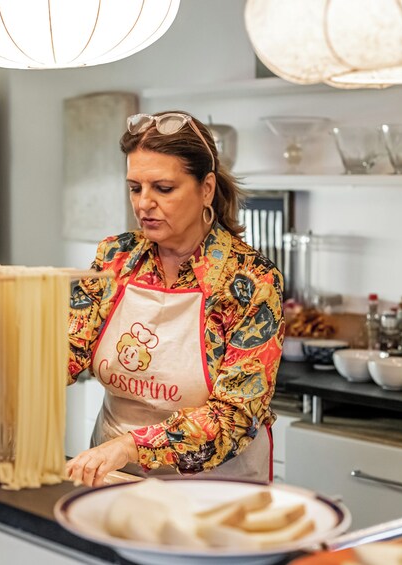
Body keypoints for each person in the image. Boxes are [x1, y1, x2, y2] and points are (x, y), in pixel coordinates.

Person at [66, 110, 284, 487]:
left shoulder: (250, 281)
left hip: (214, 489)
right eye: (135, 188)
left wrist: (131, 447)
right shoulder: (116, 258)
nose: (144, 203)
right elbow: (69, 349)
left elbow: (233, 418)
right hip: (114, 475)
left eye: (163, 189)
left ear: (207, 188)